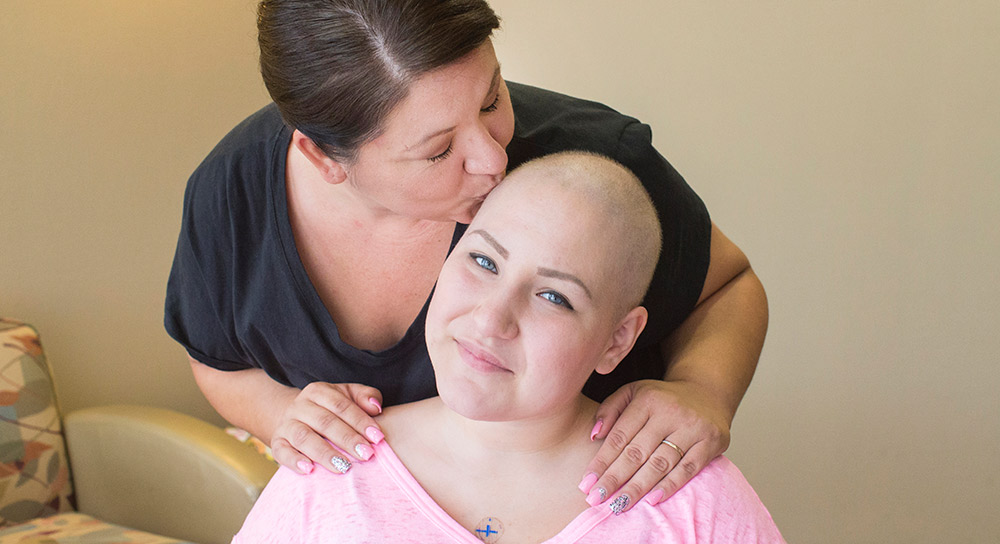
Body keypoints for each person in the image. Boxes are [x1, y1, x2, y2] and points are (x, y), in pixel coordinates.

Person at [164, 0, 769, 511]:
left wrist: (702, 389)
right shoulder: (231, 194)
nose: (493, 161)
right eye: (437, 150)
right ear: (324, 160)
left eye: (490, 98)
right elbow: (217, 360)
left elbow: (728, 285)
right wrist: (290, 417)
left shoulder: (592, 170)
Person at [233, 152, 783, 543]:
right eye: (484, 262)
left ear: (617, 341)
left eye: (552, 296)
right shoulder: (332, 472)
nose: (492, 318)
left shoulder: (688, 496)